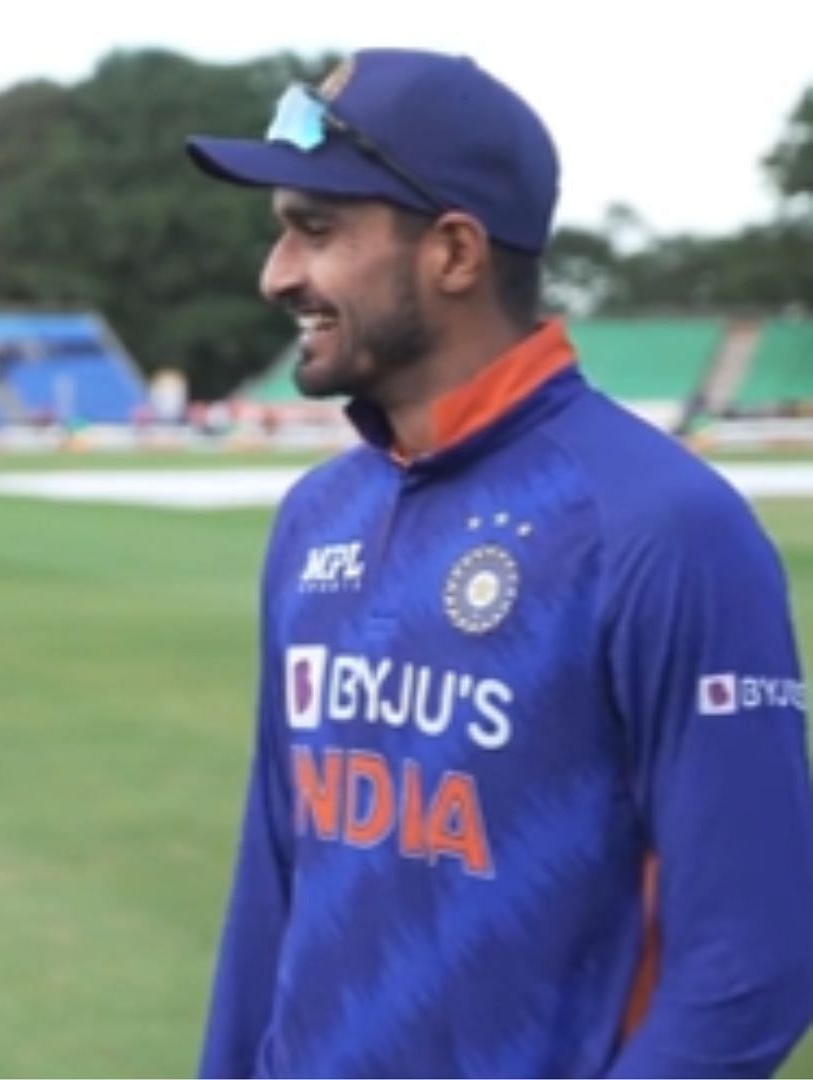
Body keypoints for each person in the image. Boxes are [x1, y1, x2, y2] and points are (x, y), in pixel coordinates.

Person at [184, 48, 813, 1077]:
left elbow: (752, 963)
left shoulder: (662, 527)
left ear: (455, 252)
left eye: (318, 230)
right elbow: (273, 885)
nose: (278, 275)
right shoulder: (316, 517)